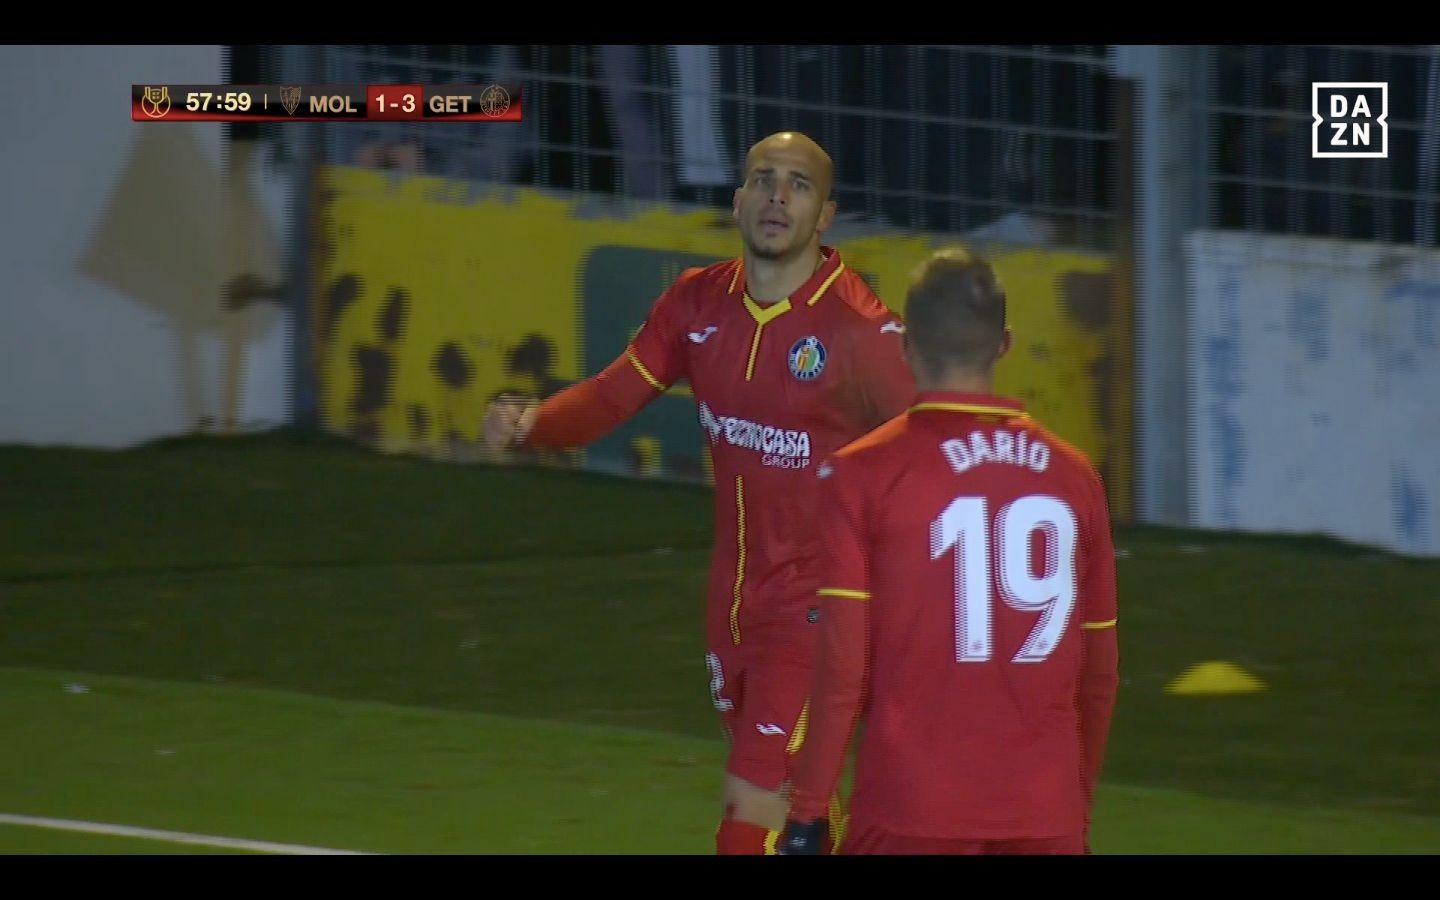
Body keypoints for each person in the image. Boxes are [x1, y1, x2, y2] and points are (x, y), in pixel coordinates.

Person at [482, 131, 916, 854]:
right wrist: (533, 426)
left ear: (825, 215)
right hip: (734, 605)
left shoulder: (861, 332)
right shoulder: (695, 303)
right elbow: (612, 395)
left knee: (750, 809)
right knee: (793, 802)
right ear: (738, 200)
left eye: (799, 185)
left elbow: (933, 452)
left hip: (822, 608)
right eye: (764, 179)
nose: (777, 197)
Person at [777, 248, 1120, 855]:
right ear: (1004, 346)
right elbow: (1099, 675)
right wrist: (1075, 810)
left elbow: (843, 670)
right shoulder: (1075, 478)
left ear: (906, 346)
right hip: (1046, 813)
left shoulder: (860, 476)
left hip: (911, 810)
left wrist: (808, 814)